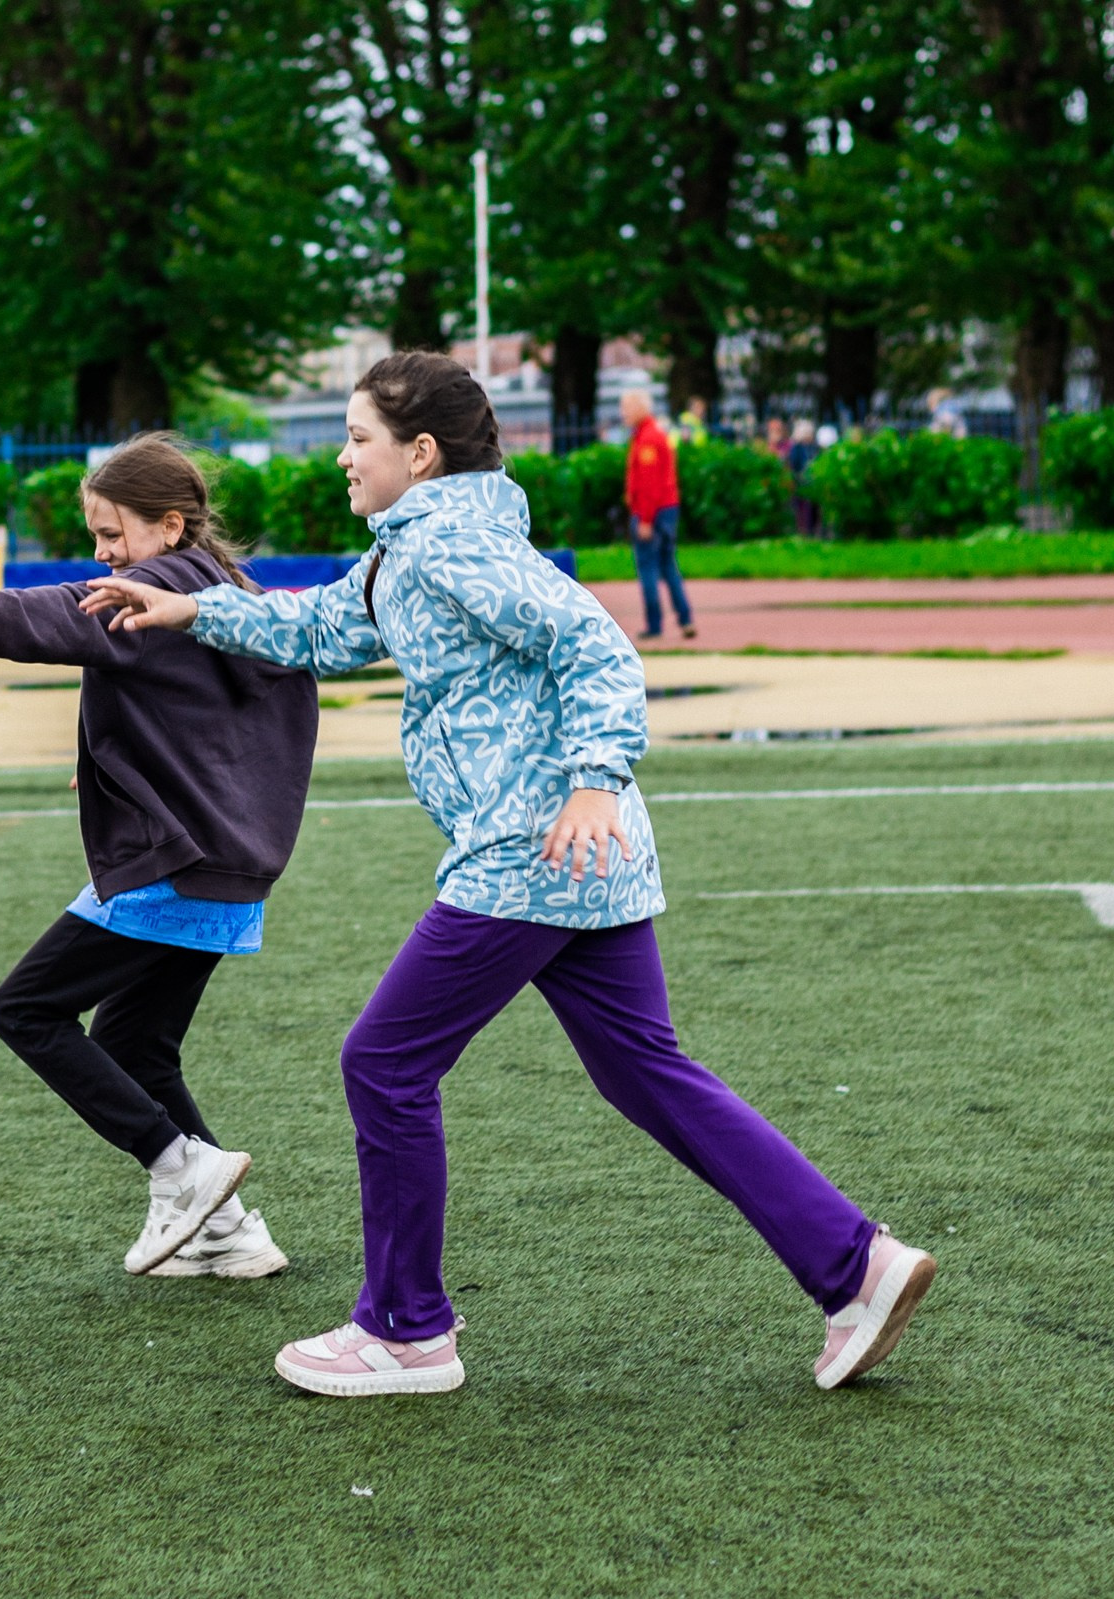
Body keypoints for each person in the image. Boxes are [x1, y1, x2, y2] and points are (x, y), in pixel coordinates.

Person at [80, 351, 936, 1399]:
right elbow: (320, 628)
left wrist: (591, 779)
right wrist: (191, 613)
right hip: (584, 860)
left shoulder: (449, 553)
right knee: (647, 1072)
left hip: (530, 853)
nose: (343, 457)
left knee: (383, 1064)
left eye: (359, 438)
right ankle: (859, 1266)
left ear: (421, 452)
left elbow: (600, 648)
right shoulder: (423, 549)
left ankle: (405, 1331)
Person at [0, 433, 319, 1279]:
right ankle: (231, 1233)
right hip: (227, 866)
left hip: (174, 865)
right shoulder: (230, 594)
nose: (105, 555)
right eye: (98, 537)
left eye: (115, 535)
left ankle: (180, 1167)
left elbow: (65, 612)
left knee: (26, 1009)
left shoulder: (152, 590)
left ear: (171, 526)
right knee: (136, 1043)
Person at [621, 388, 694, 641]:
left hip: (653, 512)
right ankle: (685, 618)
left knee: (649, 568)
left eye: (627, 408)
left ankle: (654, 624)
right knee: (668, 566)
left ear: (641, 408)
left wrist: (645, 519)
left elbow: (649, 485)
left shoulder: (648, 439)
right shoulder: (650, 435)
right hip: (667, 509)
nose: (623, 414)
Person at [788, 419, 821, 536]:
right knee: (802, 508)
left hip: (814, 482)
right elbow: (794, 465)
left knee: (815, 508)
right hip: (801, 482)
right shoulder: (796, 448)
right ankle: (804, 531)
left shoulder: (814, 447)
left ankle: (813, 530)